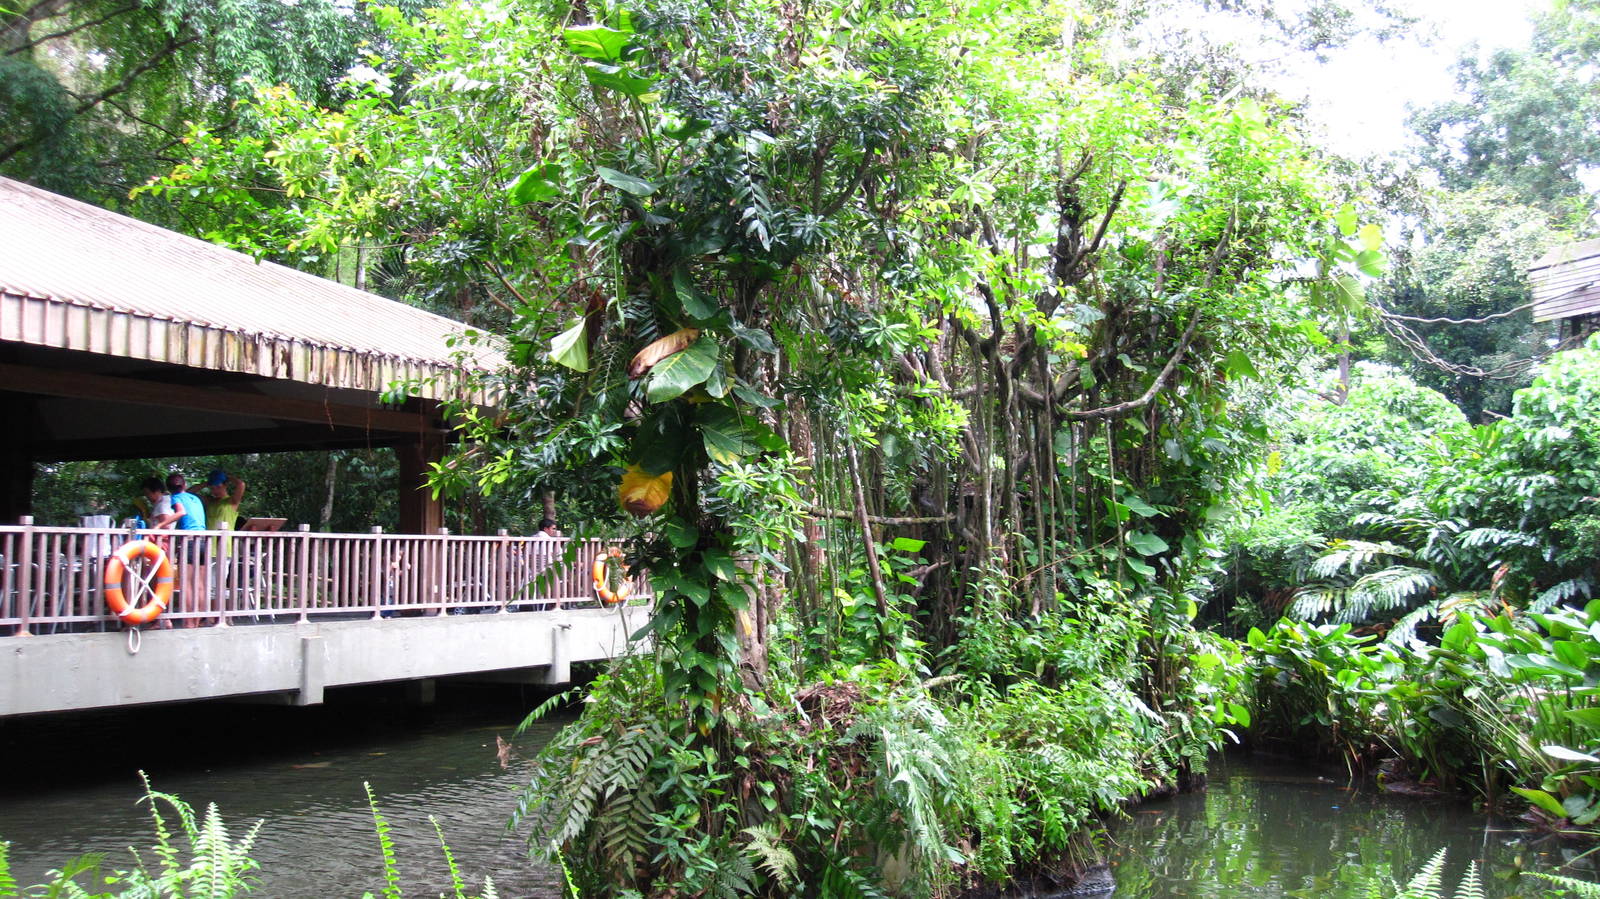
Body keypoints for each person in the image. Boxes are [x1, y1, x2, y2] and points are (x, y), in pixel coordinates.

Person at [159, 473, 209, 626]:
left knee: (187, 583)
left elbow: (181, 512)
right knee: (199, 584)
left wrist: (158, 526)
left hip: (190, 542)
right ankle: (197, 620)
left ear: (168, 489)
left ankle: (189, 622)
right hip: (203, 541)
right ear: (185, 485)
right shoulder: (195, 498)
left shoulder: (176, 498)